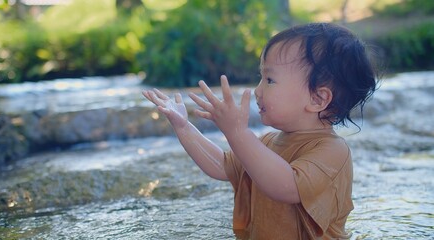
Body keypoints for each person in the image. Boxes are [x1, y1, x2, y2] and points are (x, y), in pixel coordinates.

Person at [142, 22, 378, 239]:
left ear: (318, 99)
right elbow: (222, 166)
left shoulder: (333, 151)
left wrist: (237, 133)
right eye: (260, 77)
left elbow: (286, 187)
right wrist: (184, 126)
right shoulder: (267, 142)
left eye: (270, 80)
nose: (257, 90)